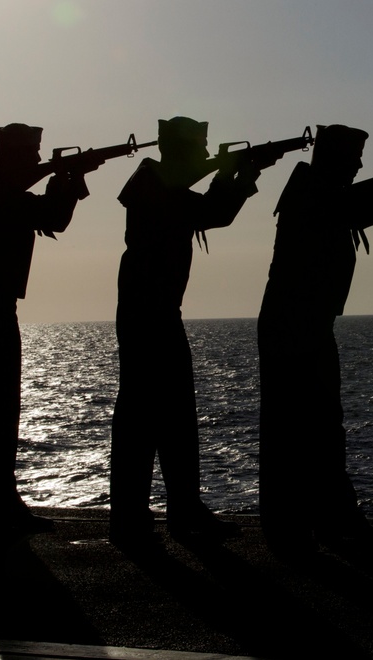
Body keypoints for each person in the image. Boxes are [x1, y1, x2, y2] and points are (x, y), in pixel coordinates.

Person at [257, 124, 373, 556]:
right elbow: (372, 212)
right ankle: (296, 528)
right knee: (296, 430)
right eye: (354, 157)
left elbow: (362, 210)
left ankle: (326, 521)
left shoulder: (318, 190)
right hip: (294, 323)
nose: (360, 165)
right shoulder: (314, 192)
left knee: (320, 427)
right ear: (334, 158)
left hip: (307, 322)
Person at [109, 116, 260, 546]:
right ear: (181, 149)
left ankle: (172, 511)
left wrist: (236, 175)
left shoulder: (163, 185)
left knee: (168, 416)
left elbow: (211, 211)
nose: (205, 154)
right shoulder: (149, 182)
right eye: (200, 147)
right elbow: (211, 211)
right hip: (149, 314)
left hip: (154, 312)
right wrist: (234, 175)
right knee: (149, 416)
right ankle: (147, 515)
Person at [0, 123, 83, 536]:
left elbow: (51, 216)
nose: (35, 161)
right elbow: (48, 216)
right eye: (30, 155)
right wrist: (65, 181)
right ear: (11, 155)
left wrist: (68, 180)